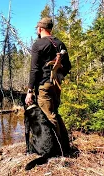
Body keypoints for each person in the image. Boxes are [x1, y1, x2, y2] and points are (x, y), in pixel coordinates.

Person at [25, 17, 71, 154]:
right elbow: (68, 66)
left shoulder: (38, 45)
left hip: (44, 86)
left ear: (40, 29)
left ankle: (58, 150)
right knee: (55, 113)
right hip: (56, 85)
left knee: (49, 117)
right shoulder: (60, 43)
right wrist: (59, 74)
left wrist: (29, 91)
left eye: (37, 29)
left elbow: (34, 69)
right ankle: (65, 146)